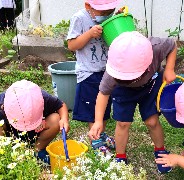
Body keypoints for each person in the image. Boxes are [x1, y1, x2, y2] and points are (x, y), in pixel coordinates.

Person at [88, 31, 177, 174]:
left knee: (152, 121)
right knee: (123, 123)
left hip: (151, 85)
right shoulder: (112, 74)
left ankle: (160, 151)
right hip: (122, 92)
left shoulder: (156, 47)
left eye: (129, 77)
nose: (126, 79)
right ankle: (120, 156)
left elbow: (172, 45)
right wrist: (98, 121)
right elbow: (103, 94)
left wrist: (169, 69)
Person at [0, 80, 70, 164]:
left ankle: (36, 151)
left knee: (56, 119)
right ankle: (4, 155)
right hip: (8, 139)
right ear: (4, 107)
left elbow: (61, 105)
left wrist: (64, 119)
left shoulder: (41, 97)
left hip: (35, 135)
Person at [67, 0, 121, 155]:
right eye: (102, 12)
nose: (106, 15)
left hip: (107, 71)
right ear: (88, 6)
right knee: (92, 109)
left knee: (103, 107)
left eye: (109, 11)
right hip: (89, 72)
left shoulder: (108, 17)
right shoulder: (79, 18)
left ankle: (101, 133)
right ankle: (95, 139)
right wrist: (89, 34)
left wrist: (115, 18)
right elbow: (71, 45)